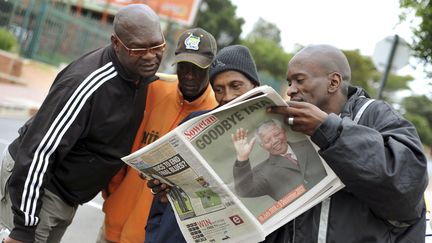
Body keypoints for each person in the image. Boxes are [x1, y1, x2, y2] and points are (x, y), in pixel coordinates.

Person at [0, 4, 165, 243]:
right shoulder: (87, 85)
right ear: (116, 43)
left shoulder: (138, 75)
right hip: (36, 189)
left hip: (65, 196)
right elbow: (39, 152)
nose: (150, 55)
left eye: (157, 46)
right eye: (138, 49)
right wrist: (23, 227)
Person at [265, 44, 428, 242]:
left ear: (333, 82)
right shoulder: (292, 129)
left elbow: (406, 188)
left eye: (299, 80)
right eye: (289, 82)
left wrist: (329, 131)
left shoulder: (376, 115)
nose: (290, 90)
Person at [98, 27, 218, 243]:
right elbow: (122, 142)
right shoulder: (154, 89)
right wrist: (113, 195)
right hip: (111, 228)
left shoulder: (216, 112)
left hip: (150, 236)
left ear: (211, 67)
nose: (189, 75)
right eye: (184, 66)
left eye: (198, 68)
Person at [145, 44, 261, 243]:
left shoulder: (272, 134)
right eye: (219, 89)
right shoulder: (193, 122)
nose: (228, 97)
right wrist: (161, 191)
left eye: (236, 86)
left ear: (255, 87)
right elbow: (161, 201)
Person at [232, 119, 326, 201]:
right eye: (267, 140)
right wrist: (242, 158)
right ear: (263, 146)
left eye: (277, 134)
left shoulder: (310, 144)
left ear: (284, 131)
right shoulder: (262, 172)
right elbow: (244, 192)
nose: (275, 141)